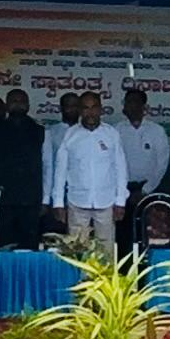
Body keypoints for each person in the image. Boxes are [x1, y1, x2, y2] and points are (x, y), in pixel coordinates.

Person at [51, 94, 124, 244]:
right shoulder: (70, 135)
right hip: (77, 201)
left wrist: (120, 200)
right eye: (85, 108)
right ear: (79, 110)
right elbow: (61, 171)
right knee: (76, 249)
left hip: (106, 201)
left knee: (105, 252)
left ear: (100, 109)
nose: (90, 113)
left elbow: (120, 168)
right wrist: (58, 202)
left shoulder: (111, 134)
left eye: (94, 107)